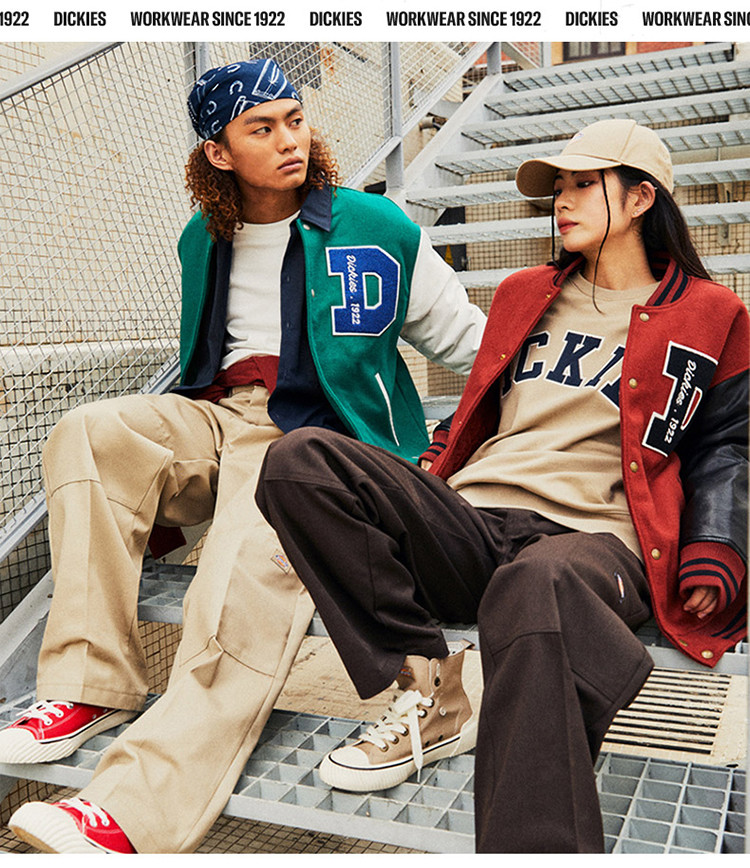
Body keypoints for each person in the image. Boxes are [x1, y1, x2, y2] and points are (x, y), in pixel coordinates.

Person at [2, 57, 486, 854]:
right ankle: (89, 683)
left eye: (295, 119)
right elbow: (205, 362)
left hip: (322, 445)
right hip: (224, 416)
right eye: (262, 128)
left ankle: (135, 807)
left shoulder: (378, 226)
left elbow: (472, 347)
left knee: (239, 560)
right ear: (219, 153)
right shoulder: (203, 237)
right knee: (89, 430)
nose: (290, 139)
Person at [255, 118, 749, 852]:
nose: (562, 201)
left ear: (642, 198)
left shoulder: (712, 314)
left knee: (536, 584)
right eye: (559, 187)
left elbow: (727, 446)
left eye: (584, 184)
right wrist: (423, 473)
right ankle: (428, 682)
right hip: (475, 519)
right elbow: (478, 409)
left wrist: (716, 548)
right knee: (298, 460)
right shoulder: (524, 293)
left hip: (594, 539)